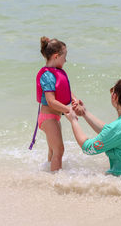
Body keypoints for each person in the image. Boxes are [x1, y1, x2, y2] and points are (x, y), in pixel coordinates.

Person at [29, 36, 83, 171]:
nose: (66, 60)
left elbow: (64, 91)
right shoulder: (47, 75)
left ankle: (49, 174)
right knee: (59, 150)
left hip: (54, 117)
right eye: (65, 56)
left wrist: (74, 99)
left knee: (54, 151)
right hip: (48, 118)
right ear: (56, 56)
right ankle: (55, 180)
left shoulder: (56, 73)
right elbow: (51, 101)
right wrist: (68, 109)